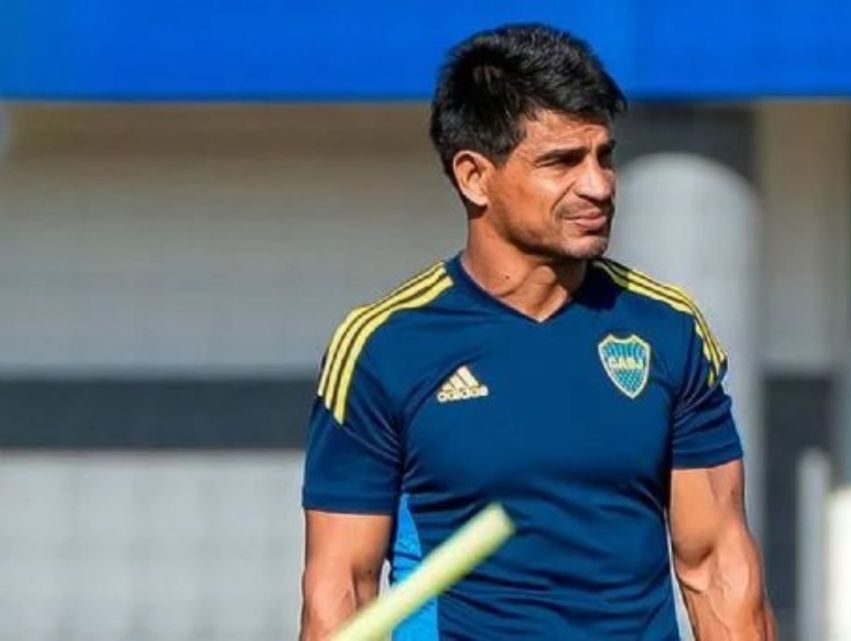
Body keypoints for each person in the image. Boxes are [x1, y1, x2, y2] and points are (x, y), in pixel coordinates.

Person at [300, 23, 776, 641]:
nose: (598, 185)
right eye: (562, 162)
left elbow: (718, 567)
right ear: (474, 176)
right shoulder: (384, 347)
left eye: (604, 156)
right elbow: (343, 591)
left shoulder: (669, 330)